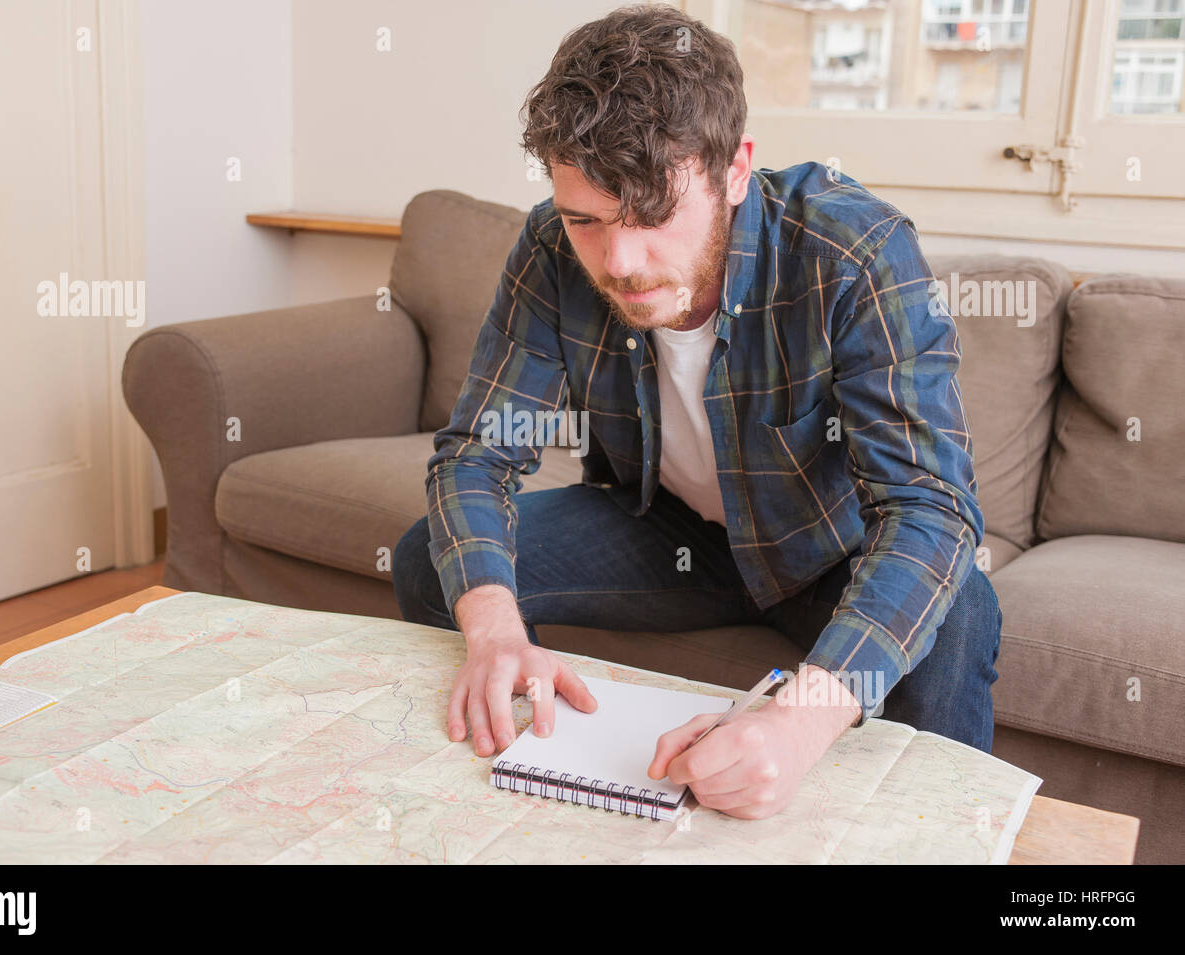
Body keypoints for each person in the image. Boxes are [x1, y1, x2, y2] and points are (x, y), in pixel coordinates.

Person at [393, 3, 1000, 821]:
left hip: (828, 554)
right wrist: (497, 631)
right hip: (666, 532)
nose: (621, 262)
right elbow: (477, 453)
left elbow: (931, 511)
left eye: (651, 215)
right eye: (588, 221)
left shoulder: (853, 254)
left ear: (735, 169)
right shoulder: (548, 250)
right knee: (434, 562)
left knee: (957, 605)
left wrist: (798, 722)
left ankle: (935, 837)